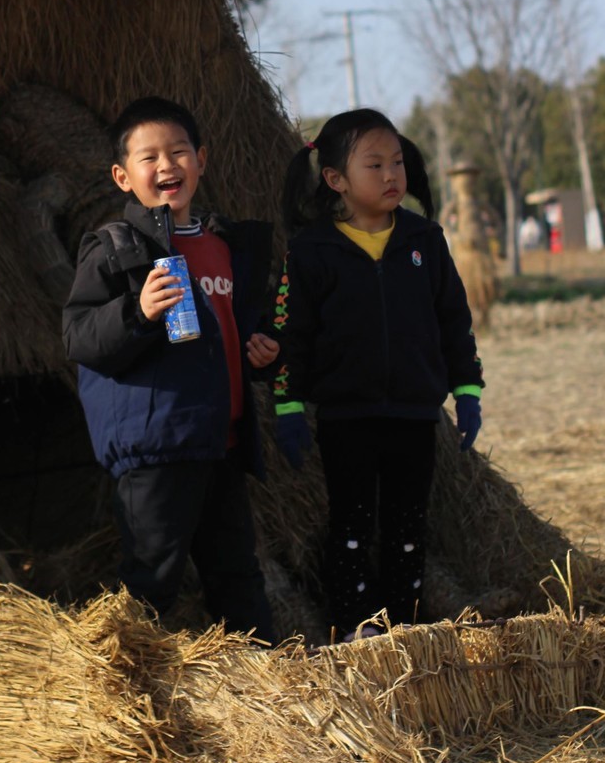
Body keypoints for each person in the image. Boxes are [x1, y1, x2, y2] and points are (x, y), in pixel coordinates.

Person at [63, 95, 278, 643]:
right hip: (157, 448)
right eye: (149, 157)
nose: (166, 166)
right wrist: (137, 311)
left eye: (179, 152)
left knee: (238, 577)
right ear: (121, 176)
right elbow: (79, 336)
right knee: (151, 579)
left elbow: (233, 332)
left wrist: (263, 352)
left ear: (201, 160)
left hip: (221, 442)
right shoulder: (114, 247)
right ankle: (127, 698)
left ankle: (271, 693)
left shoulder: (226, 246)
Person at [272, 107, 484, 640]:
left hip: (414, 413)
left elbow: (453, 320)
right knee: (351, 524)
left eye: (397, 163)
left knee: (409, 525)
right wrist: (289, 405)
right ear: (336, 180)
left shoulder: (424, 240)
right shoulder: (311, 251)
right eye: (375, 165)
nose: (391, 175)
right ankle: (355, 624)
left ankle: (405, 622)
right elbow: (289, 335)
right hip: (347, 415)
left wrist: (468, 389)